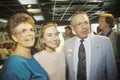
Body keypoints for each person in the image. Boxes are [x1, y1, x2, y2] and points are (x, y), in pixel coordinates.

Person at [61, 11, 117, 80]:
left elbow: (112, 73)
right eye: (79, 24)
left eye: (86, 22)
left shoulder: (104, 42)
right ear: (72, 27)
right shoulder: (66, 44)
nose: (84, 27)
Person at [0, 13, 49, 80]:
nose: (29, 34)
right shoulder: (15, 64)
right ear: (14, 37)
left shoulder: (30, 57)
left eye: (31, 30)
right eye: (23, 31)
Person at [98, 13, 120, 80]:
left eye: (101, 21)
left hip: (115, 68)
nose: (99, 23)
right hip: (102, 69)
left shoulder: (117, 35)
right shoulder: (98, 36)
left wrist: (113, 61)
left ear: (108, 23)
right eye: (99, 21)